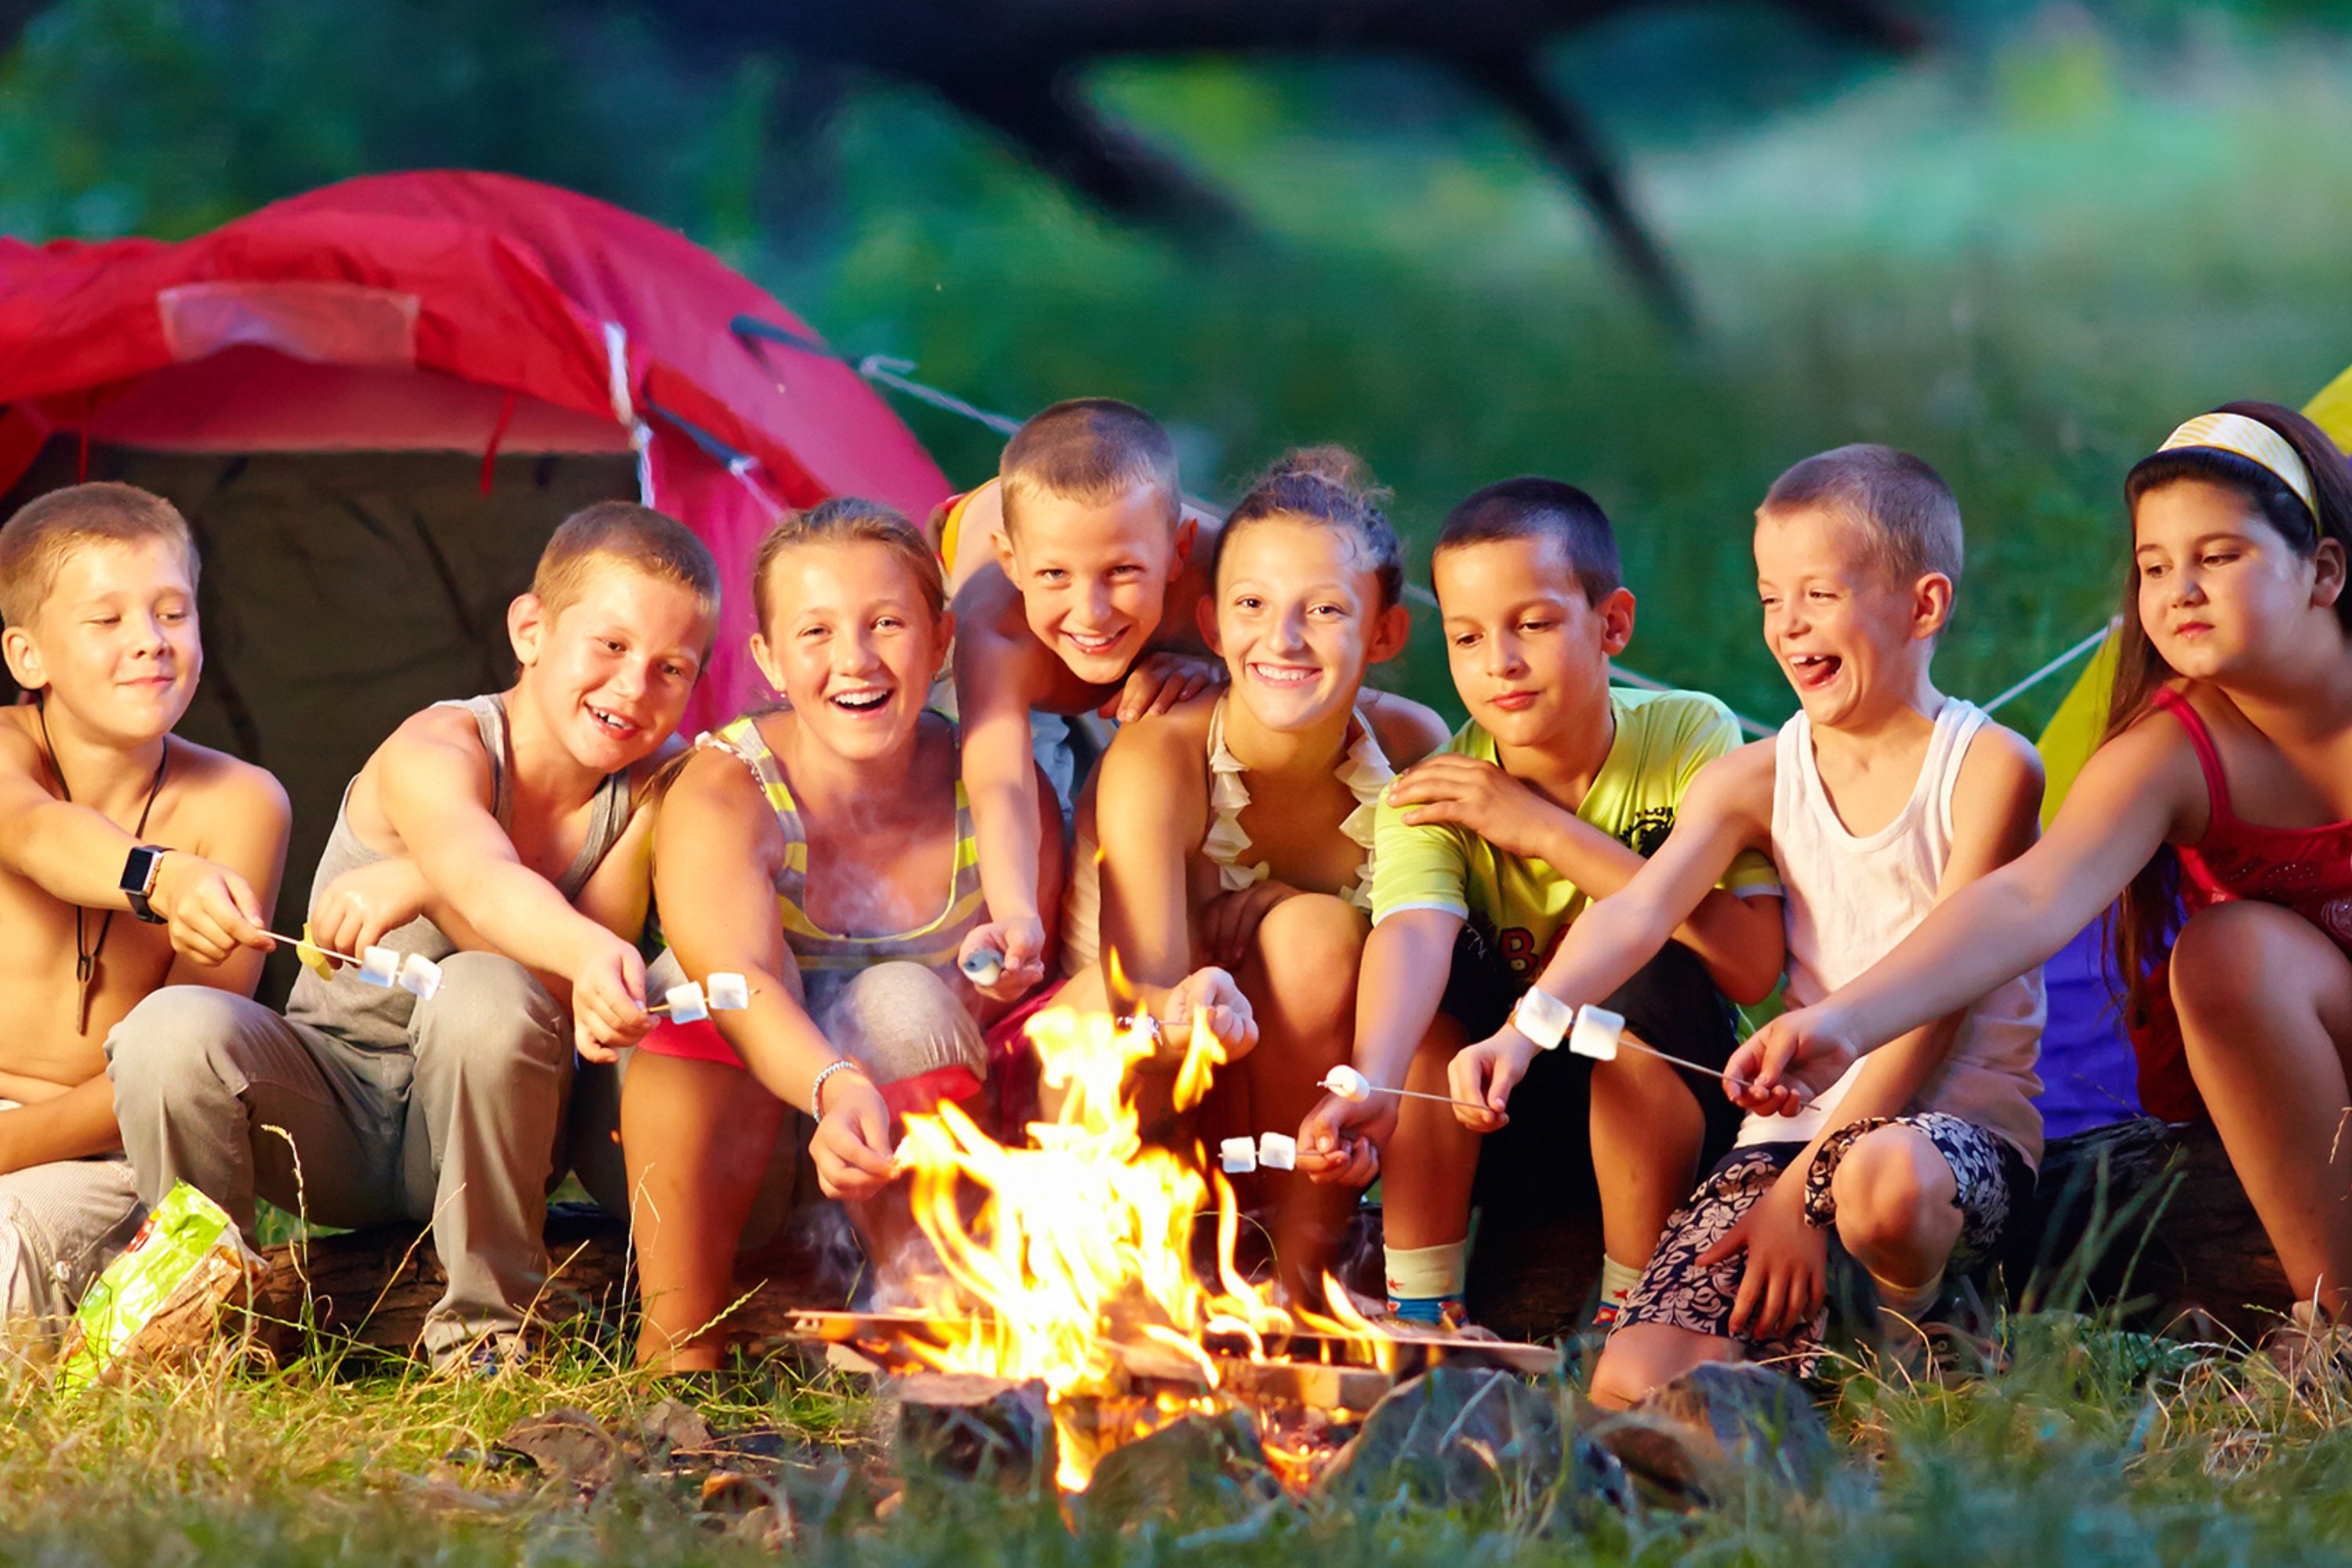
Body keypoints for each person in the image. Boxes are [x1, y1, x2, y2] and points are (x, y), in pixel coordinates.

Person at [1442, 445, 2044, 1403]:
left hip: (1947, 1135)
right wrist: (1521, 1032)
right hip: (1787, 1136)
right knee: (1632, 1386)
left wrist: (1806, 1191)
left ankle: (1920, 1332)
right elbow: (1639, 907)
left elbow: (1939, 1008)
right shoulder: (1753, 776)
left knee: (1880, 1184)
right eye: (1770, 597)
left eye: (1820, 593)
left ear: (1924, 606)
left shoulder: (1989, 770)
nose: (1789, 624)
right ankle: (1808, 1349)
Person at [1740, 404, 2352, 1332]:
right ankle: (2337, 1324)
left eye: (2219, 556)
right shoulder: (2176, 752)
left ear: (2324, 569)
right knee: (2228, 953)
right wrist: (1846, 1019)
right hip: (2319, 1042)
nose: (2181, 589)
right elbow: (2028, 897)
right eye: (2154, 567)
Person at [107, 499, 717, 1370]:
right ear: (531, 628)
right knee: (170, 1029)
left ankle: (488, 1331)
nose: (633, 687)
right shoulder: (439, 744)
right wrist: (447, 873)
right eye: (611, 647)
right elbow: (484, 870)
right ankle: (195, 1313)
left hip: (492, 1128)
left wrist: (422, 881)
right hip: (336, 1109)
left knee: (488, 987)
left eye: (672, 669)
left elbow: (564, 977)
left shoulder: (652, 789)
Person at [1297, 479, 1785, 1331]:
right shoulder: (1433, 791)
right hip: (1495, 1111)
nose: (1500, 662)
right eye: (1468, 636)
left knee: (1649, 954)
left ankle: (1630, 1315)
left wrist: (1541, 829)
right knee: (1427, 1007)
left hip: (1663, 1101)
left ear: (1613, 625)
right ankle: (1422, 1310)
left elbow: (1749, 965)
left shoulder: (1688, 736)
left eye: (1534, 623)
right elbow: (1414, 934)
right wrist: (1369, 1078)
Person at [616, 498, 1064, 1370]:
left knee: (900, 1001)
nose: (853, 659)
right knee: (695, 984)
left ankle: (919, 1322)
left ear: (940, 643)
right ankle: (678, 1341)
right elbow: (736, 978)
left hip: (912, 1164)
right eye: (815, 631)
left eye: (886, 623)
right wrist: (830, 1084)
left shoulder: (1000, 792)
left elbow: (1018, 1008)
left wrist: (1004, 975)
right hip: (725, 1151)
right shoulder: (724, 786)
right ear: (770, 660)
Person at [1062, 449, 1450, 1298]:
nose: (1282, 639)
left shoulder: (1415, 749)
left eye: (1324, 609)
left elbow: (1442, 945)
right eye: (1252, 605)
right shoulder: (1163, 752)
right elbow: (1140, 993)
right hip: (1120, 1066)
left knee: (1319, 937)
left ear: (1384, 632)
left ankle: (1300, 1278)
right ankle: (1141, 1268)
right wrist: (1202, 986)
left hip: (1304, 1106)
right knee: (1160, 1009)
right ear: (1210, 624)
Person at [0, 483, 289, 1333]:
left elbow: (177, 1067)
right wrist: (164, 880)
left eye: (173, 612)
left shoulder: (241, 801)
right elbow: (36, 834)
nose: (150, 643)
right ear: (27, 656)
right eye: (107, 621)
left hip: (106, 1157)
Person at [950, 399, 1225, 1002]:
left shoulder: (1227, 576)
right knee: (1019, 831)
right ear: (1012, 562)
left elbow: (1314, 664)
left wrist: (1216, 667)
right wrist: (1017, 913)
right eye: (1056, 577)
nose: (1091, 612)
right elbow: (1000, 778)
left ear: (1180, 551)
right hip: (998, 645)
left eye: (1123, 571)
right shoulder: (993, 628)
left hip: (1115, 545)